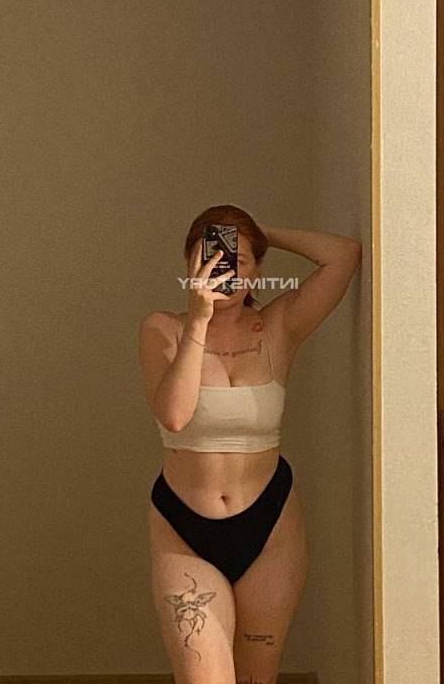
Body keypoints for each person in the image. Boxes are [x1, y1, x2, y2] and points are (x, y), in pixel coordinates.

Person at [138, 204, 361, 684]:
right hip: (183, 531)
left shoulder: (279, 325)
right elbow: (174, 416)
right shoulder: (163, 329)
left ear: (258, 270)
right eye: (210, 256)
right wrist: (198, 320)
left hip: (270, 526)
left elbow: (343, 255)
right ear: (189, 264)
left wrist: (260, 232)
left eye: (237, 260)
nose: (223, 269)